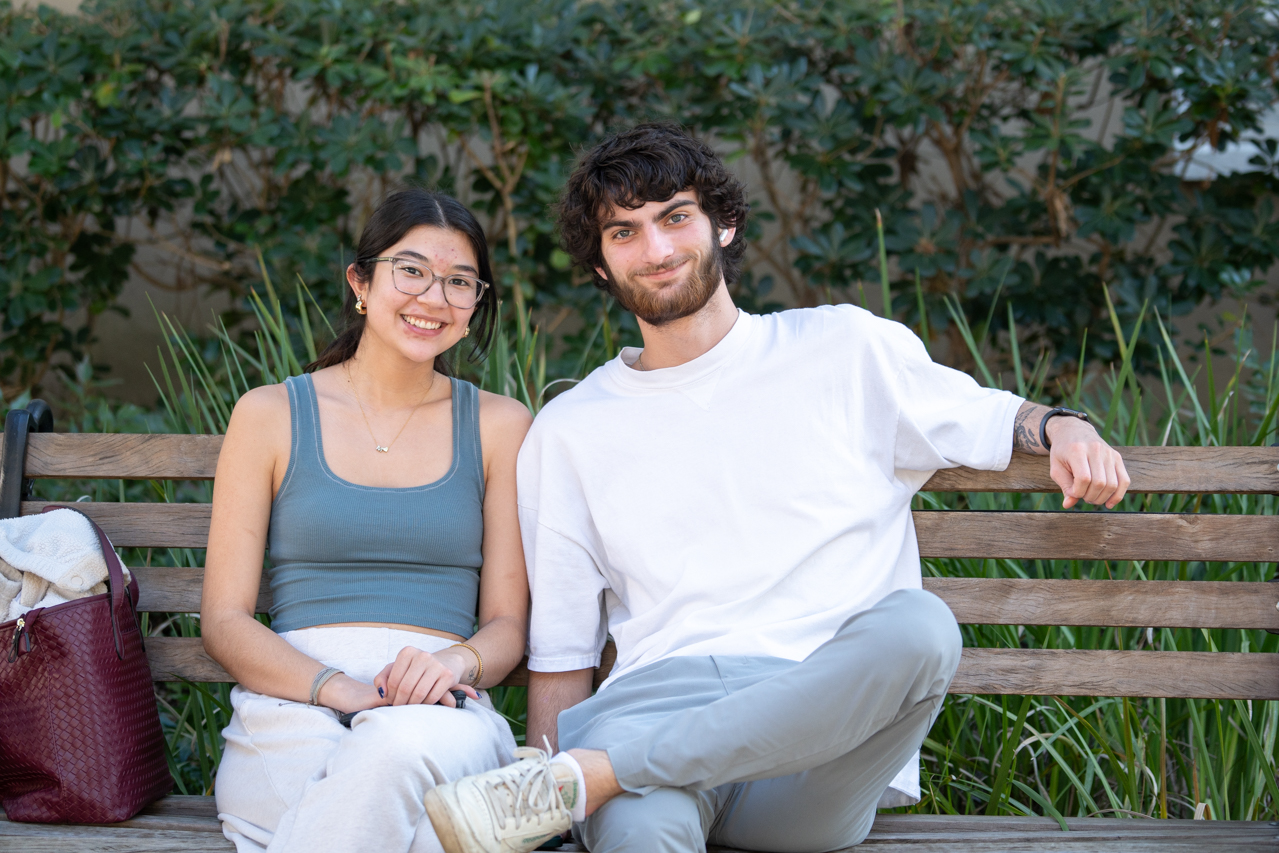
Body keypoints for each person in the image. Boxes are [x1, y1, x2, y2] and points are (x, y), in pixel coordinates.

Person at [421, 123, 1131, 853]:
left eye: (674, 217)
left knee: (919, 628)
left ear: (722, 224)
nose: (656, 250)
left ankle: (594, 774)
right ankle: (592, 778)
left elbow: (985, 415)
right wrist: (546, 823)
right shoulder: (572, 427)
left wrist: (1063, 427)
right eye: (623, 233)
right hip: (649, 712)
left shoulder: (846, 348)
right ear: (599, 265)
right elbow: (564, 645)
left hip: (809, 752)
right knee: (641, 835)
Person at [203, 189, 534, 853]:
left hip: (437, 708)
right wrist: (340, 690)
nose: (433, 297)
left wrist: (452, 661)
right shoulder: (269, 415)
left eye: (459, 281)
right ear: (361, 281)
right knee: (419, 830)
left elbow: (507, 626)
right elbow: (225, 620)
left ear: (475, 306)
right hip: (291, 702)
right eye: (410, 270)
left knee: (395, 748)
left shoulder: (500, 427)